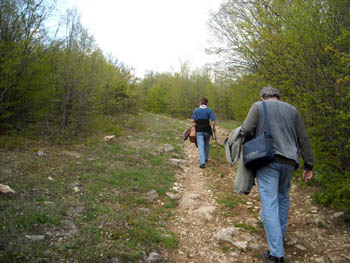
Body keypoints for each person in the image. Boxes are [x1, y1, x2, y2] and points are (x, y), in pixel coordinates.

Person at [240, 85, 314, 263]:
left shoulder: (258, 106)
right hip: (289, 162)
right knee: (282, 199)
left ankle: (276, 255)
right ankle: (278, 240)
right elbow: (303, 138)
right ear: (278, 97)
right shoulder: (292, 110)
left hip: (268, 160)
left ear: (263, 97)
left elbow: (246, 130)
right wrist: (308, 165)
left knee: (270, 203)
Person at [192, 98, 216, 168]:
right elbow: (213, 121)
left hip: (199, 130)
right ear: (207, 104)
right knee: (206, 143)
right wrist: (214, 128)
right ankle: (206, 158)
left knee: (201, 146)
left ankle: (202, 163)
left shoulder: (196, 110)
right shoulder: (209, 110)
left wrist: (196, 121)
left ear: (200, 103)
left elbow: (193, 120)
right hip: (207, 130)